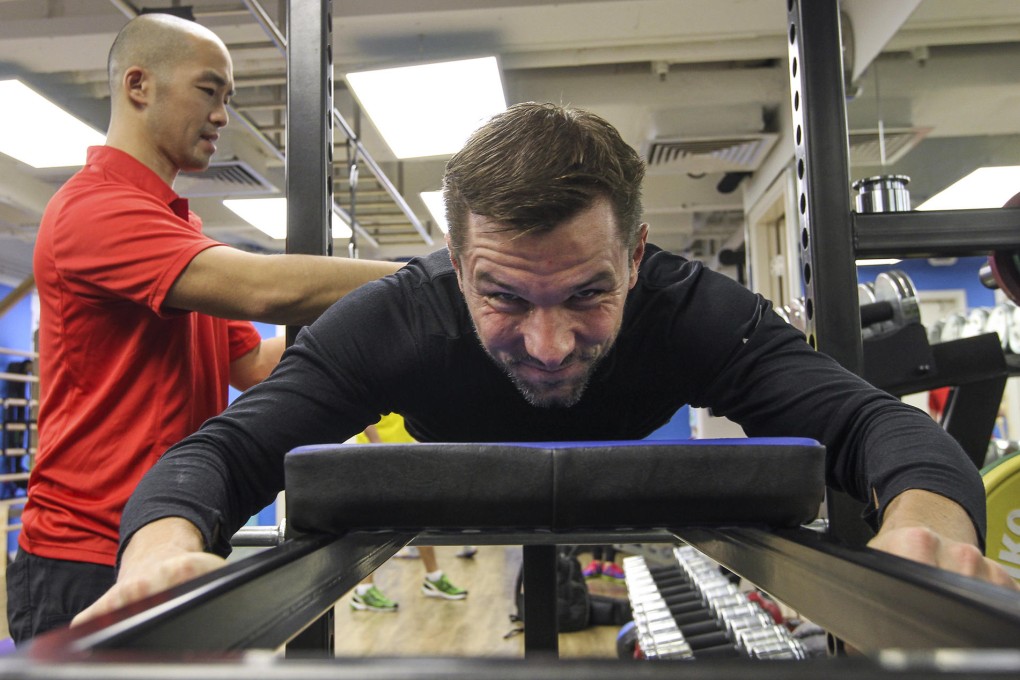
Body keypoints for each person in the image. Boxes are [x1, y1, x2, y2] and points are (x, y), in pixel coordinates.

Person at [76, 101, 1019, 627]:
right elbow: (223, 454)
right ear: (452, 263)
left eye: (586, 295)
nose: (549, 343)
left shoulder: (690, 311)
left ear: (637, 257)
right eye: (504, 298)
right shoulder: (392, 321)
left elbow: (872, 424)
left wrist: (927, 530)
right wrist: (164, 550)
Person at [6, 13, 402, 644]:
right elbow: (264, 289)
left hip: (175, 531)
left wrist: (380, 354)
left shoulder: (179, 233)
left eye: (229, 98)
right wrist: (433, 279)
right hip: (88, 554)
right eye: (209, 90)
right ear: (140, 85)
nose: (223, 115)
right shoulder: (95, 209)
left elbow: (251, 367)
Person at [349, 414, 468, 612]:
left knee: (418, 515)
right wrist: (377, 445)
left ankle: (433, 577)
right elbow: (364, 414)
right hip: (376, 455)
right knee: (374, 523)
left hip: (403, 452)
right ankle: (363, 590)